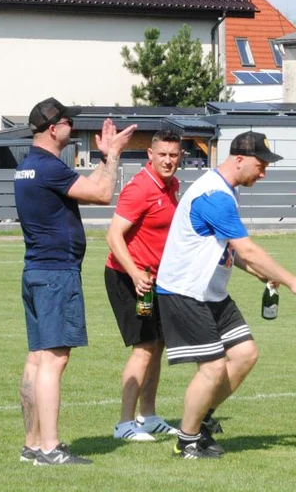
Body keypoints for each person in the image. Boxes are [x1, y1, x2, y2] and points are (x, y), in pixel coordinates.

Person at [156, 131, 296, 459]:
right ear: (240, 160)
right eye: (261, 165)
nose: (264, 172)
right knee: (213, 366)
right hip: (186, 291)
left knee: (245, 354)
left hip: (211, 291)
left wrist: (259, 272)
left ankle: (200, 420)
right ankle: (186, 441)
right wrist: (291, 281)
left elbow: (233, 251)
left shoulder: (226, 190)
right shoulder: (214, 195)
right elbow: (247, 247)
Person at [14, 97, 136, 465]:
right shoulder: (50, 168)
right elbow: (102, 194)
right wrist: (114, 155)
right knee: (55, 360)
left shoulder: (29, 167)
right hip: (56, 274)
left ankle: (34, 444)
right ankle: (50, 447)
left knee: (38, 359)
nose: (74, 127)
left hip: (36, 271)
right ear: (54, 129)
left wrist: (104, 158)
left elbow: (88, 186)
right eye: (69, 122)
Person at [104, 129, 184, 442]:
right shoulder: (140, 189)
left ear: (181, 157)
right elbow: (113, 236)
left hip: (154, 279)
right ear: (150, 154)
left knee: (158, 345)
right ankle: (124, 424)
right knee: (144, 347)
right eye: (162, 154)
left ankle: (147, 416)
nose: (168, 160)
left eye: (173, 155)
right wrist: (135, 272)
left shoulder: (172, 185)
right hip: (127, 277)